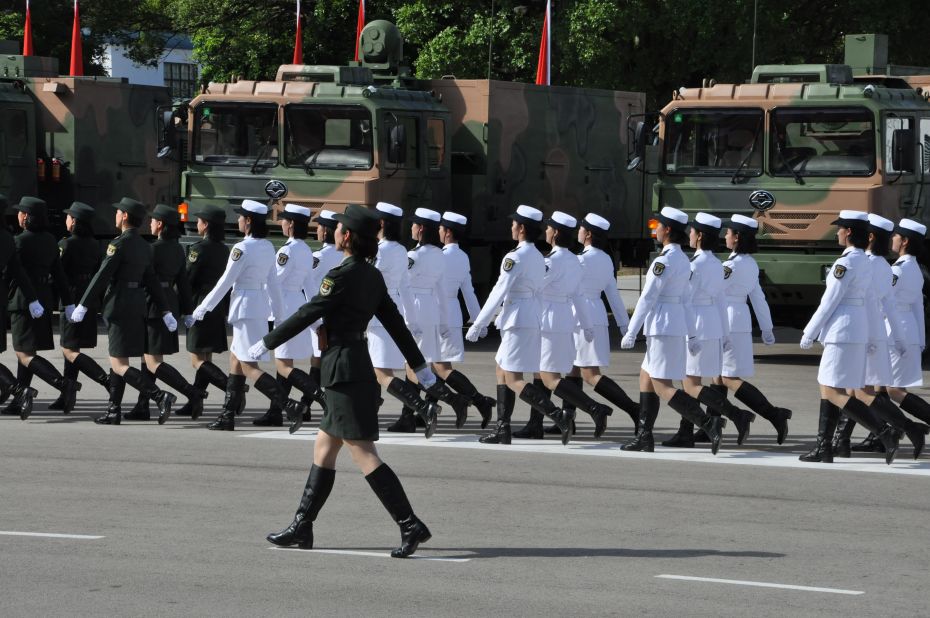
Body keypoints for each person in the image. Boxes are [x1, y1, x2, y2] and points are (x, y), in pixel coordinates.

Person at [256, 204, 437, 558]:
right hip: (354, 366)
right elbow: (396, 324)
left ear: (348, 236)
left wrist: (267, 341)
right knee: (324, 448)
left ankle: (409, 523)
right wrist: (421, 367)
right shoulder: (372, 276)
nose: (334, 232)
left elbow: (310, 311)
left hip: (343, 371)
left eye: (339, 228)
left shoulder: (341, 275)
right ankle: (302, 525)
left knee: (363, 451)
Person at [190, 199, 305, 431]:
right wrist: (280, 314)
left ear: (249, 220)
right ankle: (227, 416)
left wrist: (203, 308)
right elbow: (273, 283)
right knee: (236, 361)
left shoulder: (241, 248)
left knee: (248, 365)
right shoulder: (267, 247)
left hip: (245, 308)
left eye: (242, 217)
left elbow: (225, 282)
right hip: (260, 308)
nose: (239, 221)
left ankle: (289, 405)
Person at [620, 206, 726, 454]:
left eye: (658, 226)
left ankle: (709, 423)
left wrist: (631, 331)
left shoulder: (664, 261)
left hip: (662, 325)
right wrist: (691, 334)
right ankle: (644, 436)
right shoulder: (682, 260)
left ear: (667, 230)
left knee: (662, 385)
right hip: (674, 322)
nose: (655, 230)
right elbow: (687, 300)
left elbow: (647, 298)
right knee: (646, 377)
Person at [798, 210, 900, 464]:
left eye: (841, 228)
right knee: (830, 388)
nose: (837, 232)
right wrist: (872, 337)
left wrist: (809, 331)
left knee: (832, 390)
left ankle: (884, 432)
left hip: (842, 331)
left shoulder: (846, 263)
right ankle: (825, 446)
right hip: (856, 330)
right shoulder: (865, 262)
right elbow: (869, 302)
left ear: (850, 232)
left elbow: (829, 301)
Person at [465, 205, 573, 445]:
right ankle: (503, 427)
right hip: (530, 316)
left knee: (513, 377)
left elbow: (499, 291)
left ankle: (557, 415)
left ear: (521, 228)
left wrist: (479, 323)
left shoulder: (514, 257)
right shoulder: (537, 255)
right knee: (502, 370)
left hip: (518, 318)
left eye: (514, 224)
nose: (511, 227)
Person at [70, 197, 180, 425]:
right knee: (118, 362)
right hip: (137, 305)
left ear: (125, 216)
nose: (116, 215)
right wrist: (165, 310)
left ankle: (160, 396)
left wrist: (83, 304)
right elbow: (151, 280)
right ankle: (114, 410)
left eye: (118, 212)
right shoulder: (144, 246)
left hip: (118, 305)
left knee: (119, 363)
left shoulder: (118, 244)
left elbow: (102, 276)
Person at [511, 211, 610, 439]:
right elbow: (576, 295)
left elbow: (534, 287)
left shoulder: (551, 262)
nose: (545, 231)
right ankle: (535, 424)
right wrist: (586, 326)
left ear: (555, 233)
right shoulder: (574, 261)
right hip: (564, 319)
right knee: (541, 373)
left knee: (549, 377)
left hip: (548, 320)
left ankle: (593, 408)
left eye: (548, 228)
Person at [662, 212, 755, 448]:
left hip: (696, 324)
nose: (689, 236)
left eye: (692, 232)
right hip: (712, 324)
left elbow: (687, 299)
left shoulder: (697, 265)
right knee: (692, 381)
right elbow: (721, 301)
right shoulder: (716, 264)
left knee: (691, 383)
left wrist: (689, 331)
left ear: (700, 235)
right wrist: (723, 334)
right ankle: (689, 430)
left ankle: (735, 415)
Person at [545, 213, 641, 436]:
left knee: (590, 374)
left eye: (581, 229)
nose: (577, 232)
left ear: (588, 234)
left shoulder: (580, 260)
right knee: (573, 369)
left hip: (580, 316)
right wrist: (625, 326)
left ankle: (634, 409)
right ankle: (568, 418)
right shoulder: (606, 259)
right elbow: (613, 295)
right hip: (595, 314)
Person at [845, 217, 930, 456]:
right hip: (908, 328)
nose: (892, 238)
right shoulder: (914, 269)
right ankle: (879, 436)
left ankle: (903, 430)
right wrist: (920, 338)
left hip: (892, 332)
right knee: (879, 388)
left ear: (904, 241)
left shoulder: (897, 270)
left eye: (896, 236)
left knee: (886, 389)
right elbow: (917, 308)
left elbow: (883, 304)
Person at [709, 214, 792, 444]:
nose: (725, 236)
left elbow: (711, 291)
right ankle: (712, 424)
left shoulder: (730, 266)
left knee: (727, 377)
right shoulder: (750, 264)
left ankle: (774, 414)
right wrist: (767, 328)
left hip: (728, 321)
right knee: (718, 375)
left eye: (728, 233)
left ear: (736, 238)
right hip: (740, 319)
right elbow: (758, 298)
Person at [124, 204, 205, 423]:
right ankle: (142, 405)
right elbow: (183, 284)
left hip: (153, 303)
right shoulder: (178, 249)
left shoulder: (153, 249)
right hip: (169, 300)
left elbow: (144, 277)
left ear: (159, 224)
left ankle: (192, 393)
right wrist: (187, 311)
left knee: (152, 361)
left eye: (152, 220)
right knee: (146, 356)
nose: (149, 223)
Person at [366, 202, 439, 437]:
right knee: (375, 370)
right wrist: (411, 320)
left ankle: (422, 407)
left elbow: (368, 282)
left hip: (376, 316)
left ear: (382, 224)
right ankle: (368, 414)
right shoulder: (399, 250)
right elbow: (405, 288)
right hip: (390, 312)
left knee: (381, 374)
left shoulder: (382, 250)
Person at [252, 204, 326, 428]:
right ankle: (276, 411)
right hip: (298, 305)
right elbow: (311, 286)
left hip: (283, 307)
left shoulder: (287, 251)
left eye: (283, 220)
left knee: (283, 364)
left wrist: (262, 306)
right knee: (285, 361)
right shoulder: (304, 249)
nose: (281, 223)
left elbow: (273, 282)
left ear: (291, 224)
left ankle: (323, 400)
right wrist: (317, 320)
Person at [6, 196, 79, 419]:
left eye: (20, 212)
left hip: (23, 300)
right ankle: (19, 400)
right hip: (44, 299)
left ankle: (63, 384)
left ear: (26, 216)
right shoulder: (50, 240)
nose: (18, 215)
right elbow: (59, 275)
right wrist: (68, 302)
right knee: (28, 351)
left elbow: (14, 273)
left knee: (23, 352)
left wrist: (28, 298)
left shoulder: (20, 241)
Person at [402, 208, 470, 428]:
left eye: (414, 224)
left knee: (414, 368)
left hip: (416, 309)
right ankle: (416, 413)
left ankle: (452, 399)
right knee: (420, 365)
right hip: (431, 309)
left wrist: (409, 321)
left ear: (421, 229)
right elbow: (441, 290)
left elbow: (403, 288)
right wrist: (442, 321)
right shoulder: (438, 254)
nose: (411, 227)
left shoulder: (413, 256)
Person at [431, 211, 494, 428]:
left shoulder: (441, 256)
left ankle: (478, 401)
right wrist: (478, 320)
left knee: (440, 368)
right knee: (435, 366)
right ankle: (425, 413)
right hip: (453, 311)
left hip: (440, 313)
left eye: (441, 228)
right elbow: (468, 291)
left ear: (447, 232)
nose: (438, 231)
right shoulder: (462, 256)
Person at [175, 203, 234, 419]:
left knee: (196, 358)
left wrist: (182, 306)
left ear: (205, 224)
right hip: (216, 304)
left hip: (200, 303)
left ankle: (231, 389)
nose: (197, 224)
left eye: (199, 220)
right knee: (205, 357)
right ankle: (195, 401)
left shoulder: (199, 249)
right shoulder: (224, 249)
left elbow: (188, 279)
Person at [50, 202, 111, 412]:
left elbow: (56, 273)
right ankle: (67, 396)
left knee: (68, 349)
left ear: (74, 221)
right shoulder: (95, 244)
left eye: (68, 217)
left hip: (72, 296)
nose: (66, 220)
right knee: (73, 347)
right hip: (88, 298)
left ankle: (106, 380)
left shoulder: (66, 245)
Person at [0, 194, 40, 415]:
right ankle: (17, 390)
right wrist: (33, 298)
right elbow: (18, 271)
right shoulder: (8, 237)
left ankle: (18, 390)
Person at [306, 209, 343, 421]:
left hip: (322, 312)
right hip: (339, 312)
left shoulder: (318, 257)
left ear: (326, 230)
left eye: (320, 226)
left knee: (317, 359)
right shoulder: (342, 255)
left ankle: (310, 402)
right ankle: (307, 402)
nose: (317, 229)